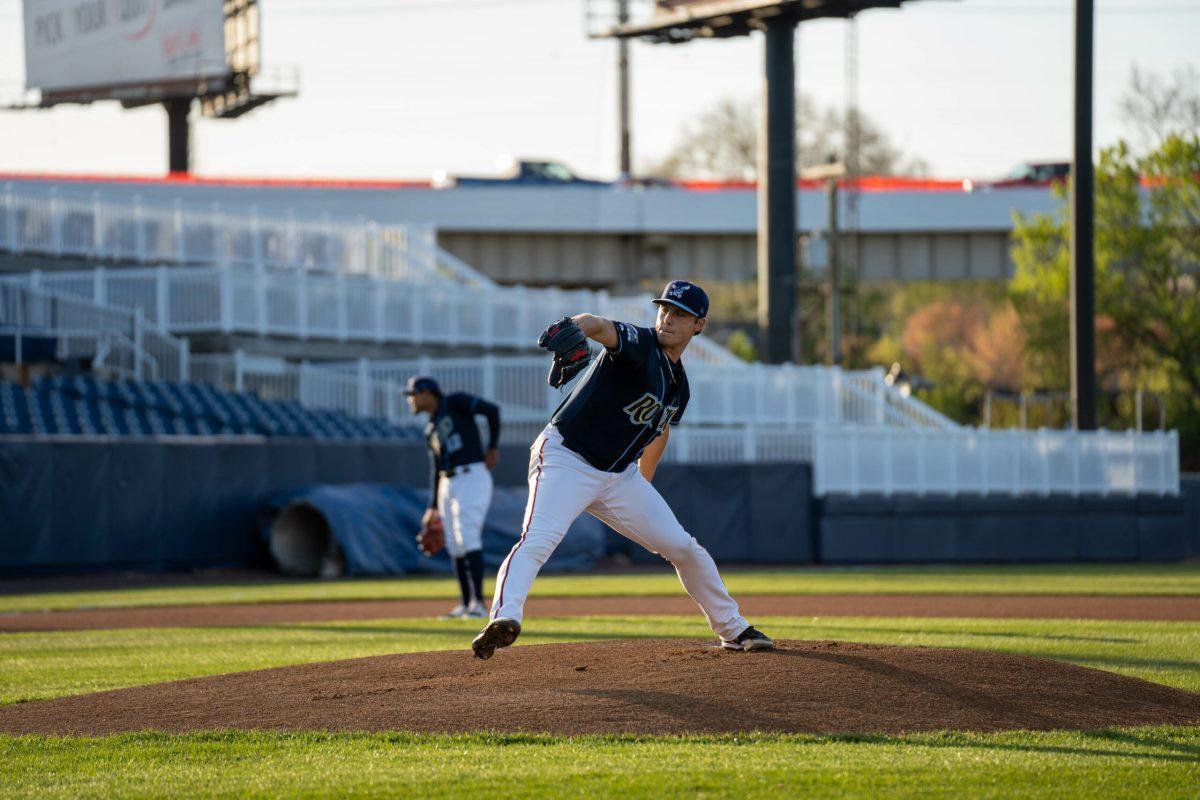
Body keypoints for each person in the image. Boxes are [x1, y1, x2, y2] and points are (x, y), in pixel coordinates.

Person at [471, 280, 774, 659]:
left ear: (699, 325)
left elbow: (658, 433)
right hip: (567, 458)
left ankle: (734, 630)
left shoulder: (679, 387)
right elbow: (599, 326)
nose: (667, 318)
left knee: (683, 547)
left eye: (680, 314)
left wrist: (642, 487)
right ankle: (503, 619)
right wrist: (575, 326)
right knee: (539, 538)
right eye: (665, 309)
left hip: (619, 477)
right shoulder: (640, 344)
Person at [405, 376, 501, 619]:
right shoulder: (430, 428)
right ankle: (466, 603)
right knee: (455, 544)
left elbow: (492, 411)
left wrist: (492, 447)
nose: (410, 400)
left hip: (471, 475)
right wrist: (433, 507)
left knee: (467, 536)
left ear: (428, 392)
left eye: (413, 394)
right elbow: (436, 469)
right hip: (448, 483)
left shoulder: (455, 402)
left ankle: (478, 605)